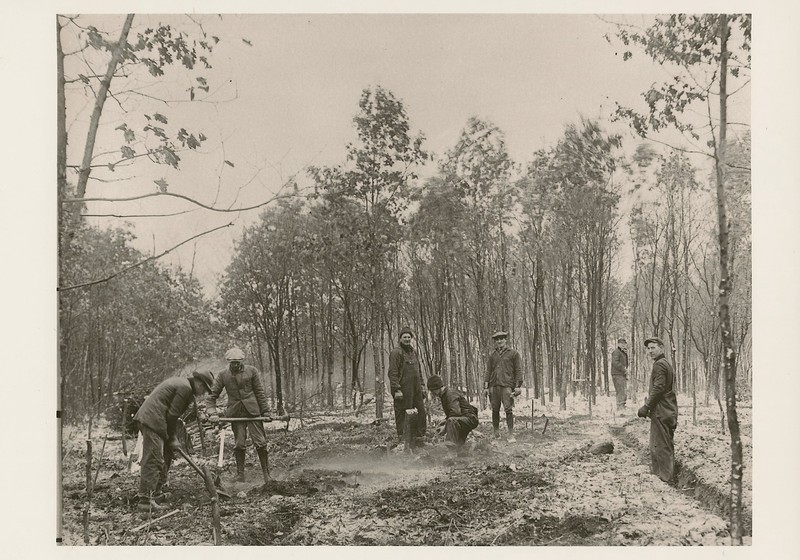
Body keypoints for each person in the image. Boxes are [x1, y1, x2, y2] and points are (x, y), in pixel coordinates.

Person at [133, 370, 214, 514]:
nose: (202, 393)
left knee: (166, 456)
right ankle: (145, 501)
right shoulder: (185, 388)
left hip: (156, 421)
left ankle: (156, 494)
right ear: (199, 383)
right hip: (152, 420)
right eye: (204, 389)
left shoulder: (183, 385)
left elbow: (171, 415)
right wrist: (173, 438)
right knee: (154, 459)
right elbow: (172, 415)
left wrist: (171, 439)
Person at [208, 347, 271, 484]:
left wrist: (266, 411)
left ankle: (266, 474)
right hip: (236, 413)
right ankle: (240, 474)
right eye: (233, 363)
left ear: (242, 361)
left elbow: (259, 392)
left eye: (238, 362)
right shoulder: (223, 375)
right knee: (239, 444)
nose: (235, 365)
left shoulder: (252, 371)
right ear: (229, 362)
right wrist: (212, 413)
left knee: (260, 443)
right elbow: (212, 396)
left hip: (253, 412)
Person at [638, 337, 679, 482]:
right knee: (664, 444)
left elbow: (659, 388)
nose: (650, 351)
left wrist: (646, 406)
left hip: (661, 410)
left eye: (653, 348)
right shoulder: (665, 363)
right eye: (648, 348)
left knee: (660, 446)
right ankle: (664, 477)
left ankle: (664, 479)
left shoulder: (660, 365)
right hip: (667, 409)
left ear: (661, 348)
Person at [387, 326, 427, 449]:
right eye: (405, 337)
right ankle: (403, 441)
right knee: (403, 414)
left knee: (420, 413)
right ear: (400, 338)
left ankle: (419, 441)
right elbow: (392, 372)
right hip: (403, 389)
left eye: (409, 337)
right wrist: (397, 389)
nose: (407, 339)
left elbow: (418, 370)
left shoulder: (413, 352)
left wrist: (422, 386)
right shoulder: (396, 353)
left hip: (416, 389)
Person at [484, 331, 523, 443]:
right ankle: (496, 434)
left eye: (501, 339)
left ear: (505, 340)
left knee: (508, 410)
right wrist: (486, 387)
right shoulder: (492, 356)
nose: (499, 341)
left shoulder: (513, 354)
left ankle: (510, 435)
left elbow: (518, 370)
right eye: (497, 340)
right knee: (495, 410)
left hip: (507, 386)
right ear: (495, 342)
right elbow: (488, 371)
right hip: (494, 386)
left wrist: (518, 386)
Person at [427, 375, 478, 455]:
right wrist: (443, 423)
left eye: (432, 391)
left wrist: (445, 427)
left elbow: (455, 413)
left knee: (451, 421)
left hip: (470, 419)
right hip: (464, 419)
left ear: (437, 388)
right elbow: (452, 414)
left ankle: (451, 453)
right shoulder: (445, 394)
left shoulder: (449, 394)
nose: (432, 393)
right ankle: (460, 451)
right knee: (459, 446)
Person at [611, 337, 629, 412]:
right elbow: (615, 362)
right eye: (621, 343)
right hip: (617, 374)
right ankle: (620, 407)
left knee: (623, 390)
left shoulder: (623, 352)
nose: (623, 345)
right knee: (620, 390)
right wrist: (623, 368)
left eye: (624, 344)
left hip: (621, 374)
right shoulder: (616, 352)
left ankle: (622, 405)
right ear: (618, 344)